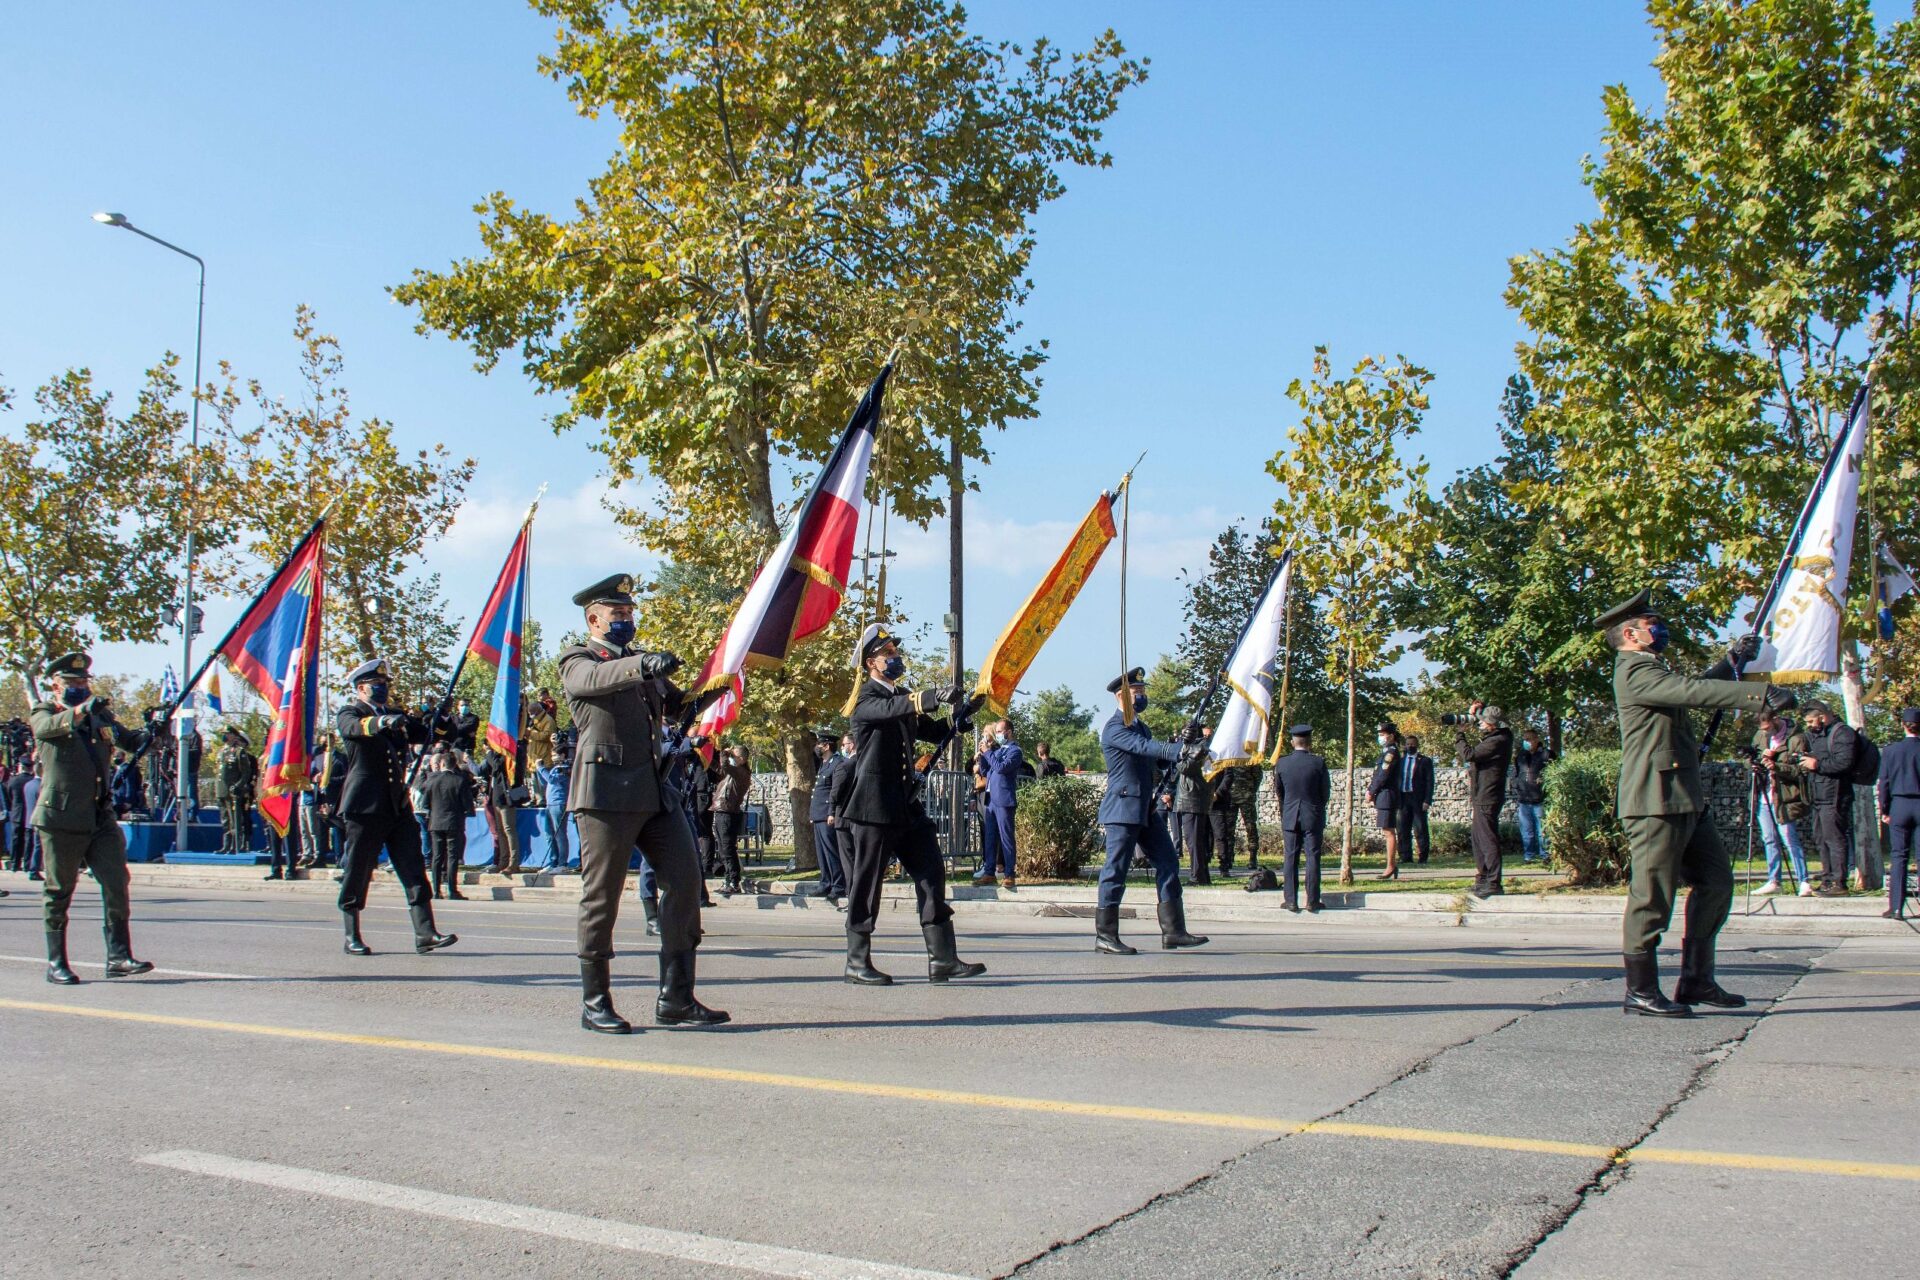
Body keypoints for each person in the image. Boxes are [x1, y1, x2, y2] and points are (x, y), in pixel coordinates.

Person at [1597, 589, 1788, 1017]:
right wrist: (1761, 696)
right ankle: (1640, 991)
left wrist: (1731, 663)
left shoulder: (1652, 669)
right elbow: (1690, 691)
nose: (1660, 629)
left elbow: (1691, 687)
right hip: (1655, 801)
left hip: (1684, 796)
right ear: (1631, 633)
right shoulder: (1632, 670)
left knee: (1717, 883)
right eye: (1652, 624)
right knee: (1652, 896)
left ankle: (1697, 980)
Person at [560, 572, 726, 1032]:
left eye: (630, 613)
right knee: (602, 898)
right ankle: (595, 1002)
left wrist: (725, 678)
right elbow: (593, 680)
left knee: (686, 882)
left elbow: (682, 706)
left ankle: (676, 998)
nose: (627, 620)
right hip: (605, 794)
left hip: (655, 790)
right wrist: (645, 665)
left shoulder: (638, 662)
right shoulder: (579, 659)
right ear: (594, 619)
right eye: (618, 613)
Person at [838, 623, 987, 984]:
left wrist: (961, 716)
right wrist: (932, 695)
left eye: (895, 652)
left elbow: (933, 731)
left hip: (905, 806)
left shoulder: (899, 695)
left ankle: (943, 959)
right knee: (867, 883)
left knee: (931, 872)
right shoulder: (865, 699)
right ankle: (857, 962)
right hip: (873, 807)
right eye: (888, 654)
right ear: (871, 663)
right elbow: (896, 708)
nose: (895, 658)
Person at [31, 653, 155, 983]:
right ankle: (56, 962)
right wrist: (82, 709)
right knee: (59, 890)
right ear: (55, 685)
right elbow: (46, 729)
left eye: (84, 682)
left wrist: (153, 732)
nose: (80, 687)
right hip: (61, 817)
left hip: (99, 816)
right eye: (72, 683)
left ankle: (118, 956)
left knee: (116, 881)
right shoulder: (44, 712)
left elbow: (130, 742)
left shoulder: (101, 718)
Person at [333, 658, 458, 958]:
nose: (382, 690)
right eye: (377, 685)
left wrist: (439, 716)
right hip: (365, 805)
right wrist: (383, 722)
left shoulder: (395, 714)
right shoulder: (351, 712)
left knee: (413, 866)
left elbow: (434, 736)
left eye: (385, 685)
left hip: (396, 803)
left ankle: (425, 933)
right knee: (359, 868)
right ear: (361, 688)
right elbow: (354, 729)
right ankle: (352, 934)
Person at [1091, 667, 1209, 954]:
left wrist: (1185, 742)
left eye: (1143, 691)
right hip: (1122, 808)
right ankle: (1105, 936)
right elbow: (1142, 748)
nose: (1142, 696)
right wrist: (1176, 749)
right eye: (1137, 692)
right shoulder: (1116, 727)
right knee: (1115, 870)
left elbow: (1159, 763)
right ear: (1122, 696)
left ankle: (1174, 931)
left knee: (1168, 862)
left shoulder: (1141, 726)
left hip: (1144, 807)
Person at [1795, 700, 1861, 897]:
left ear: (1822, 716)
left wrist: (1817, 765)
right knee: (1821, 838)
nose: (1808, 726)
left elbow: (1844, 762)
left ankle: (1839, 882)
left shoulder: (1842, 733)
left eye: (1810, 721)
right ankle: (1827, 878)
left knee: (1834, 838)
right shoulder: (1816, 735)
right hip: (1819, 794)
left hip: (1835, 795)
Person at [1750, 709, 1812, 896]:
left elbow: (1801, 770)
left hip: (1784, 795)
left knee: (1789, 838)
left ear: (1775, 720)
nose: (1765, 732)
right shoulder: (1760, 736)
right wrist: (1754, 763)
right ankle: (1773, 880)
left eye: (1768, 728)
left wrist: (1776, 766)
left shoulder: (1796, 738)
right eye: (1762, 729)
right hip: (1763, 794)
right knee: (1769, 839)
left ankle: (1804, 880)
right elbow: (1750, 757)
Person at [1271, 724, 1330, 913]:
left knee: (1290, 857)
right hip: (1312, 814)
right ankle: (1312, 900)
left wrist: (1288, 806)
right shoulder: (1318, 762)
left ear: (1292, 742)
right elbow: (1325, 792)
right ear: (1310, 742)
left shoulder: (1282, 763)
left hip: (1290, 815)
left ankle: (1290, 900)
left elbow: (1279, 791)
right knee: (1312, 857)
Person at [1464, 707, 1514, 897]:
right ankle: (1483, 878)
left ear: (1493, 725)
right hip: (1482, 795)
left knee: (1487, 839)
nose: (1481, 723)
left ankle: (1493, 881)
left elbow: (1470, 754)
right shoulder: (1500, 736)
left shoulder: (1497, 741)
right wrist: (1476, 710)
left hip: (1488, 795)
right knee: (1478, 839)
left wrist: (1460, 735)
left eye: (1485, 721)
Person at [1876, 706, 1920, 919]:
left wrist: (1884, 808)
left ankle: (1896, 907)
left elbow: (1883, 783)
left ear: (1903, 725)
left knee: (1899, 856)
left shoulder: (1891, 750)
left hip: (1899, 804)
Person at [418, 751, 472, 900]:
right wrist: (467, 812)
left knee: (437, 857)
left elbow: (424, 803)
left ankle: (436, 890)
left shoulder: (432, 780)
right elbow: (467, 804)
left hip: (436, 822)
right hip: (454, 822)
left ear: (441, 764)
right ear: (454, 765)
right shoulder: (459, 780)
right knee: (452, 857)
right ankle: (452, 890)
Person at [980, 720, 1023, 890]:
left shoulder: (1015, 751)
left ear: (1009, 732)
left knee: (1006, 838)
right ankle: (989, 872)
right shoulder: (997, 751)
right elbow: (986, 771)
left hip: (1004, 800)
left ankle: (1009, 874)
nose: (997, 734)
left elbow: (1000, 768)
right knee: (990, 838)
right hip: (991, 800)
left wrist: (988, 753)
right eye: (996, 731)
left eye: (1000, 731)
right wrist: (982, 755)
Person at [807, 732, 847, 903]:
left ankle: (838, 886)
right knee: (822, 853)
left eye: (820, 744)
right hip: (819, 814)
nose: (817, 747)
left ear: (827, 745)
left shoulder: (837, 763)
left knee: (831, 852)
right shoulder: (824, 764)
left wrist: (831, 812)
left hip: (827, 815)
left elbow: (834, 791)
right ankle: (826, 883)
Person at [1172, 726, 1214, 885]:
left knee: (1194, 840)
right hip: (1189, 798)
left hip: (1192, 800)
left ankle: (1197, 876)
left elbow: (1184, 767)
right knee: (1195, 840)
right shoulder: (1192, 749)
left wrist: (1176, 753)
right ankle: (1202, 875)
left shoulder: (1198, 750)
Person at [710, 744, 751, 896]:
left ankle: (734, 881)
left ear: (741, 759)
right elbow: (720, 769)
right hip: (722, 811)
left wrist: (724, 753)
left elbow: (725, 766)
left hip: (728, 812)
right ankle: (728, 879)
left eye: (734, 756)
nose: (730, 758)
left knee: (728, 849)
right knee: (722, 848)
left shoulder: (741, 772)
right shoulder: (733, 773)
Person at [214, 727, 259, 855]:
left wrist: (239, 785)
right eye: (223, 734)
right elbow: (219, 772)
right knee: (225, 819)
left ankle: (236, 845)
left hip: (233, 791)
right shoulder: (221, 751)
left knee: (235, 819)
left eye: (227, 734)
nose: (224, 736)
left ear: (234, 736)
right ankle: (226, 845)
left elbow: (246, 772)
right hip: (221, 789)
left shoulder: (239, 752)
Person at [1366, 723, 1402, 880]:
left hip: (1387, 795)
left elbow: (1383, 774)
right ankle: (1390, 864)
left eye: (1383, 734)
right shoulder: (1385, 752)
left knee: (1389, 832)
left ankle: (1391, 865)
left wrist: (1371, 791)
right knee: (1386, 830)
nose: (1380, 737)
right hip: (1383, 795)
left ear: (1391, 736)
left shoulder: (1391, 752)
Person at [1512, 726, 1552, 864]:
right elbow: (1516, 773)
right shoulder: (1521, 755)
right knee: (1526, 831)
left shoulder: (1546, 754)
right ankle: (1528, 855)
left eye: (1529, 739)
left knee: (1543, 830)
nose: (1526, 742)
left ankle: (1545, 854)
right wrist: (1516, 784)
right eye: (1524, 739)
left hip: (1540, 799)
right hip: (1524, 799)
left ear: (1536, 739)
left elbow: (1554, 773)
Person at [1394, 734, 1434, 866]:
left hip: (1418, 799)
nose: (1410, 746)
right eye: (1408, 744)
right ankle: (1405, 856)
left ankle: (1423, 857)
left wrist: (1427, 800)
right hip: (1403, 798)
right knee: (1402, 828)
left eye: (1412, 744)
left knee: (1420, 828)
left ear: (1417, 745)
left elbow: (1430, 782)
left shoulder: (1425, 761)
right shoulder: (1400, 761)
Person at [536, 738, 574, 873]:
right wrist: (540, 770)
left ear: (563, 755)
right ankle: (553, 860)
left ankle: (562, 863)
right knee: (549, 833)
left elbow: (552, 780)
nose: (552, 757)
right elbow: (544, 781)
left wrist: (541, 768)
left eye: (555, 755)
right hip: (550, 803)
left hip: (559, 803)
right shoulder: (554, 768)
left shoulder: (564, 768)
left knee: (559, 833)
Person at [1228, 763, 1263, 869]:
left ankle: (1253, 857)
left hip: (1246, 797)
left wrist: (1251, 790)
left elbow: (1258, 775)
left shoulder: (1249, 755)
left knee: (1250, 827)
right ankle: (1228, 857)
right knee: (1228, 828)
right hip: (1230, 797)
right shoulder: (1229, 754)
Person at [524, 690, 559, 771]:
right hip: (533, 759)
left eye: (530, 713)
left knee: (543, 783)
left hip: (544, 759)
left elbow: (547, 736)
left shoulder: (548, 720)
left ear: (536, 711)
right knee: (535, 783)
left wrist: (530, 733)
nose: (530, 716)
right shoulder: (534, 720)